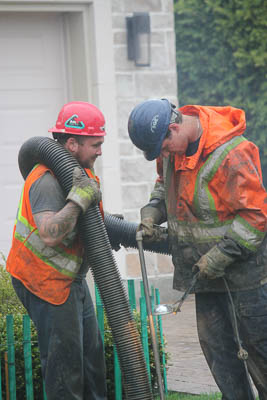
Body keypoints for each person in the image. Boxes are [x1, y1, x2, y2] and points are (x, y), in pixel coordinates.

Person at [128, 98, 267, 399]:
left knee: (258, 352)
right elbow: (164, 186)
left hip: (246, 278)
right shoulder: (169, 150)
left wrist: (222, 255)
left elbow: (255, 216)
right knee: (220, 356)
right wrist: (153, 210)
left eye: (164, 149)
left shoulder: (232, 153)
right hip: (204, 277)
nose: (163, 157)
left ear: (174, 128)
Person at [6, 101, 107, 400]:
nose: (100, 151)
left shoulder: (79, 172)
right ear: (72, 143)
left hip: (68, 279)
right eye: (96, 144)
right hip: (44, 281)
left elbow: (87, 221)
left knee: (91, 357)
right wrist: (78, 200)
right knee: (65, 367)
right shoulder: (48, 180)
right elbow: (50, 233)